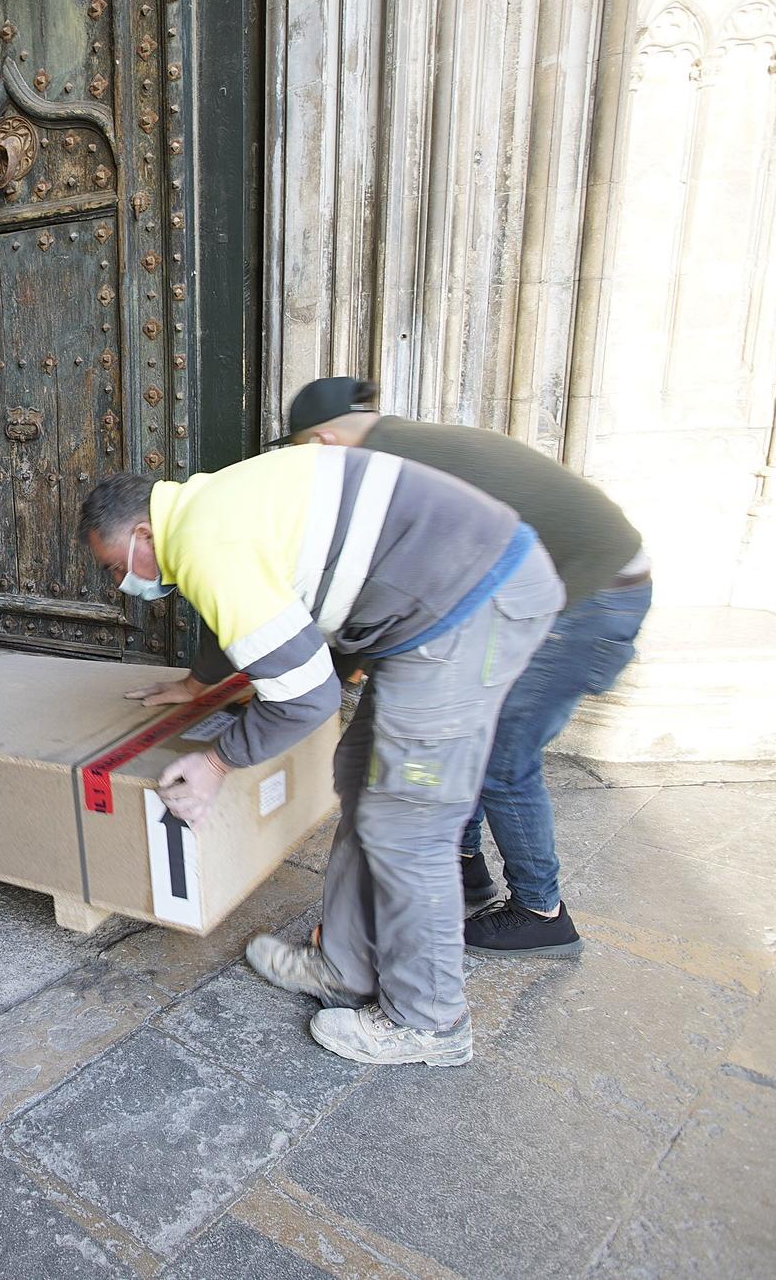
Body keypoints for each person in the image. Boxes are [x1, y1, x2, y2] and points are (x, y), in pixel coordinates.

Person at [79, 444, 562, 1067]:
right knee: (363, 777)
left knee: (407, 823)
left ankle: (430, 1023)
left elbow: (308, 699)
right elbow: (256, 616)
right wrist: (197, 684)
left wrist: (217, 763)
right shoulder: (206, 509)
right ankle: (345, 966)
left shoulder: (206, 542)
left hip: (470, 609)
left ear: (143, 532)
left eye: (118, 566)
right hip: (440, 611)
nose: (124, 584)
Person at [277, 376, 652, 958]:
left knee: (503, 758)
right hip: (571, 586)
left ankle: (540, 911)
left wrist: (340, 662)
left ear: (324, 441)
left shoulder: (384, 469)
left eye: (301, 453)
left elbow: (395, 582)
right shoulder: (396, 445)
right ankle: (463, 862)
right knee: (465, 723)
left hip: (588, 599)